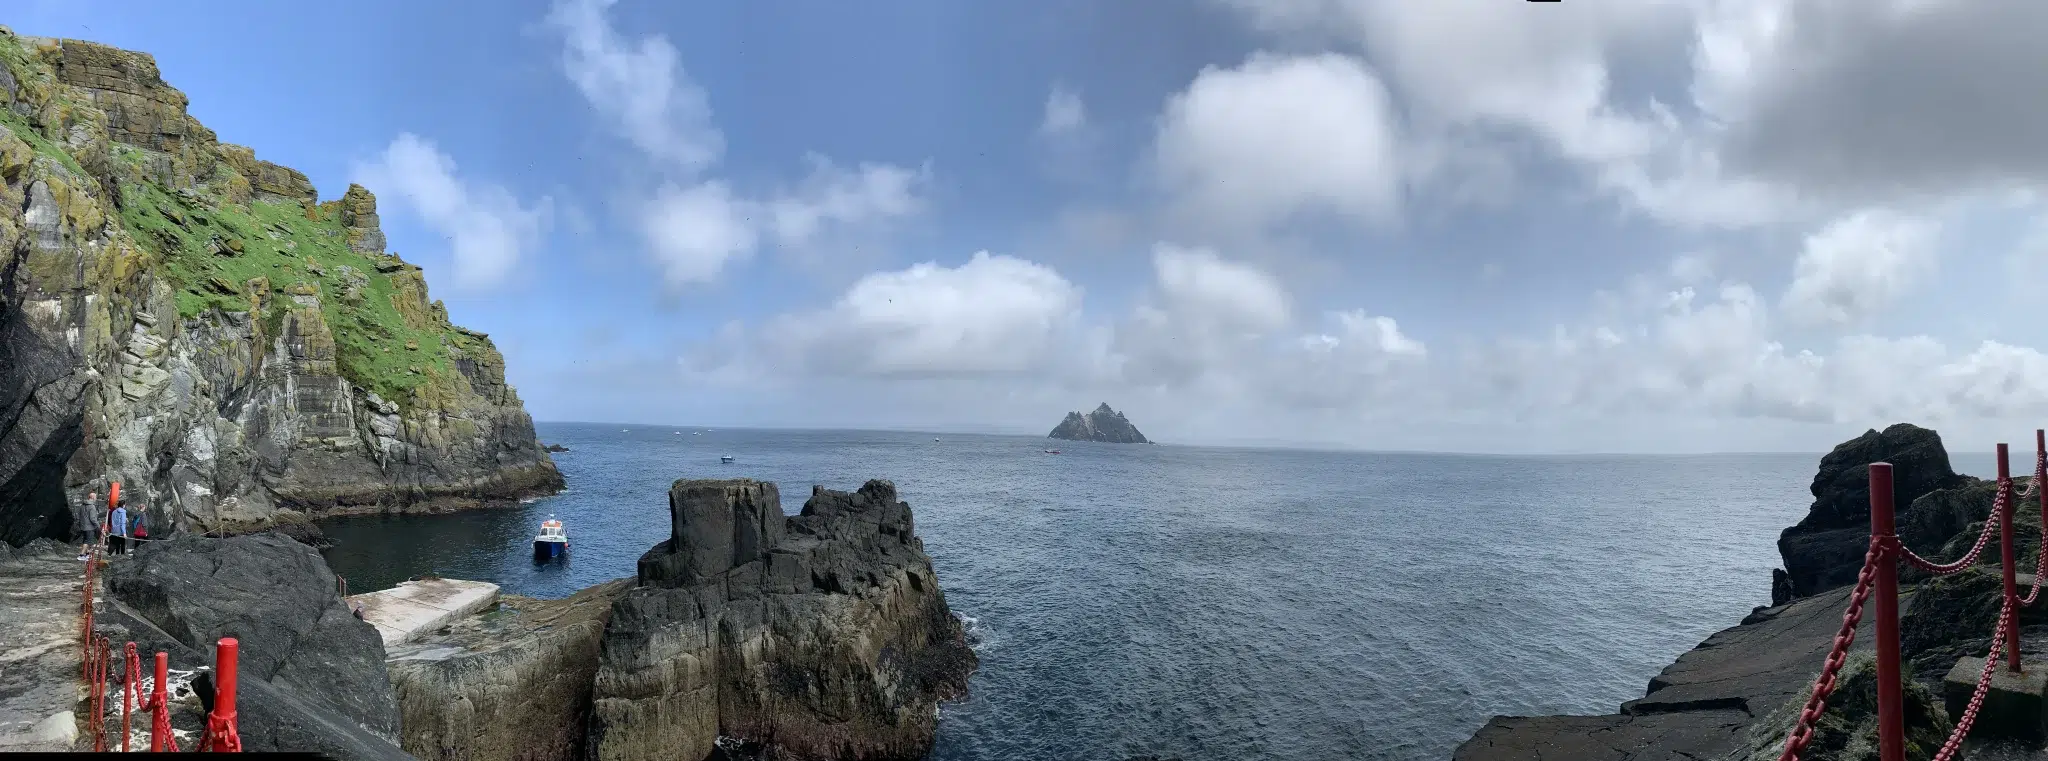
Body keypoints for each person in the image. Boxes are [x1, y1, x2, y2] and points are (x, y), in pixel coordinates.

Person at [76, 488, 99, 561]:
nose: (96, 499)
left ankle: (87, 555)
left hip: (83, 526)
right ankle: (81, 555)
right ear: (92, 498)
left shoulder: (82, 505)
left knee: (86, 540)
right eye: (95, 497)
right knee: (88, 541)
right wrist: (97, 526)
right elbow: (92, 518)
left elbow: (79, 516)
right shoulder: (92, 506)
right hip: (89, 527)